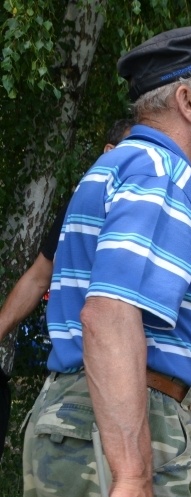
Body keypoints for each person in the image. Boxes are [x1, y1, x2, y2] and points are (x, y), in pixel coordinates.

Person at [21, 26, 191, 497]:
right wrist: (131, 479)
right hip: (114, 420)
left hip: (84, 415)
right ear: (186, 102)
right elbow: (109, 313)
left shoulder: (121, 166)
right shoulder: (162, 176)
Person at [0, 118, 134, 462]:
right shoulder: (81, 205)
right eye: (131, 149)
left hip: (135, 380)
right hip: (76, 378)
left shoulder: (150, 208)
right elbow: (37, 277)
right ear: (109, 152)